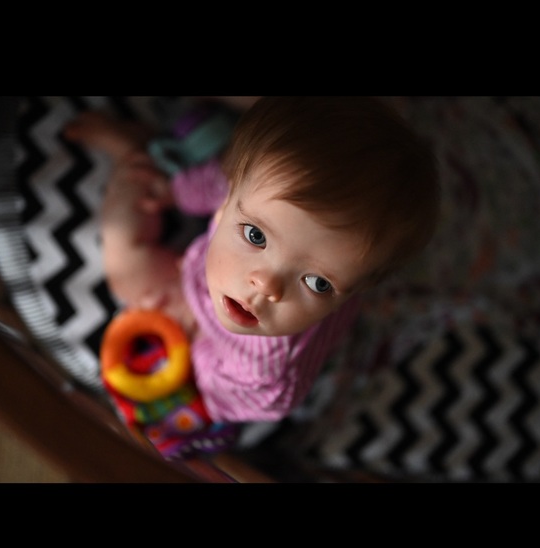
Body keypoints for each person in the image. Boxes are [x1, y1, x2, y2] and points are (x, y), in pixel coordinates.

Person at [64, 96, 439, 424]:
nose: (267, 285)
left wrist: (190, 335)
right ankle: (138, 160)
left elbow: (214, 391)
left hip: (213, 338)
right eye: (256, 236)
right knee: (150, 209)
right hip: (209, 257)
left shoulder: (263, 377)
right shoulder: (255, 191)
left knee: (131, 281)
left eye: (317, 283)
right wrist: (176, 191)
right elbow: (222, 185)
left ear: (353, 292)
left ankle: (137, 156)